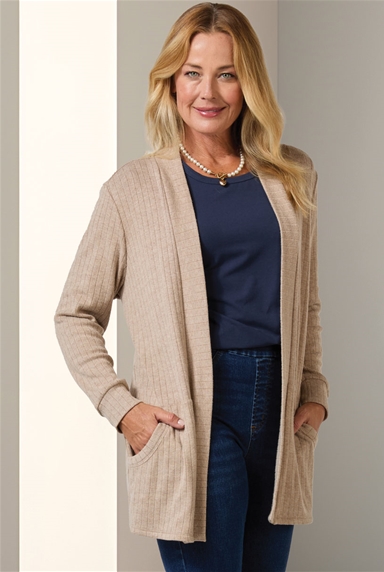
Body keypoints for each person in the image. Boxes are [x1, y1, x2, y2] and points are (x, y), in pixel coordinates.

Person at [54, 3, 329, 571]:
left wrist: (314, 390)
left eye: (227, 74)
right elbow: (75, 314)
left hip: (278, 413)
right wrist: (122, 408)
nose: (208, 91)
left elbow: (306, 300)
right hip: (191, 416)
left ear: (249, 84)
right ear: (171, 82)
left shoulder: (292, 176)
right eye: (192, 73)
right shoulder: (132, 189)